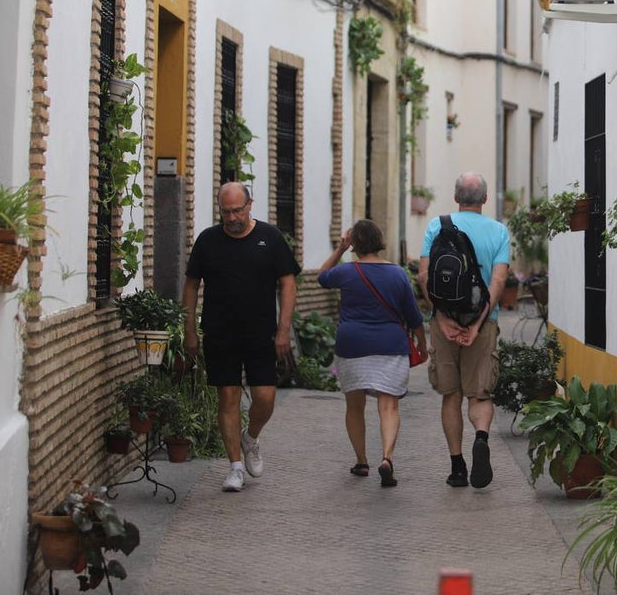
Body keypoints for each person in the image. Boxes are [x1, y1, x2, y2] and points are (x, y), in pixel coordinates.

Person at [182, 182, 300, 492]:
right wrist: (189, 330)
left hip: (261, 332)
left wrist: (284, 330)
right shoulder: (208, 241)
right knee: (228, 397)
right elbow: (192, 285)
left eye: (238, 210)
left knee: (265, 398)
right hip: (220, 332)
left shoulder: (270, 238)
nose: (232, 217)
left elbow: (288, 283)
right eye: (226, 212)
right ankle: (234, 466)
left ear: (250, 205)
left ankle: (251, 437)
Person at [318, 219, 428, 487]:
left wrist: (340, 249)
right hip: (390, 345)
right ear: (379, 240)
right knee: (388, 405)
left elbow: (322, 277)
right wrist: (423, 346)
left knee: (354, 405)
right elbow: (414, 318)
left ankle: (361, 460)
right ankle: (387, 457)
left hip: (352, 344)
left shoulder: (346, 272)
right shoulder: (398, 274)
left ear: (355, 243)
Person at [419, 172, 511, 489]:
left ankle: (457, 468)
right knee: (480, 392)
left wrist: (443, 319)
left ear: (456, 197)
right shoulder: (499, 232)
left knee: (451, 393)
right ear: (484, 199)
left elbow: (423, 275)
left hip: (444, 321)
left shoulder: (437, 226)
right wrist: (478, 323)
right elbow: (498, 281)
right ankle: (481, 438)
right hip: (483, 323)